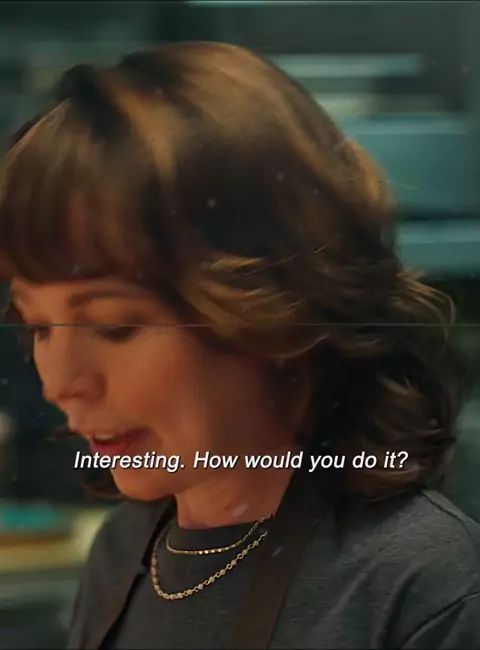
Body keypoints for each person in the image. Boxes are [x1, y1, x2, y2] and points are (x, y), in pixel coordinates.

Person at [0, 41, 479, 649]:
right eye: (39, 327)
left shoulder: (422, 587)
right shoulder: (124, 552)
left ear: (273, 307)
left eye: (114, 327)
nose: (60, 383)